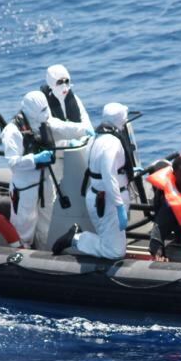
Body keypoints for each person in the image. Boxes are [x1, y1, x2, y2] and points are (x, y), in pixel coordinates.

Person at [2, 91, 87, 248]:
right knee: (24, 224)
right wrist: (35, 159)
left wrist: (84, 130)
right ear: (31, 110)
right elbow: (13, 163)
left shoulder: (43, 121)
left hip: (46, 181)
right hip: (25, 187)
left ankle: (44, 252)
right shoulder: (12, 131)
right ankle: (22, 253)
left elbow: (63, 127)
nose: (46, 114)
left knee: (47, 221)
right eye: (41, 110)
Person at [56, 103, 135, 259]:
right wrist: (119, 206)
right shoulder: (112, 143)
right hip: (109, 201)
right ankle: (76, 239)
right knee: (115, 252)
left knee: (112, 242)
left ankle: (82, 240)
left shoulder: (94, 137)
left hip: (98, 196)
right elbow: (108, 176)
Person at [40, 64, 94, 134]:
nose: (64, 85)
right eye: (60, 82)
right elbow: (52, 124)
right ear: (51, 82)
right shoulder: (44, 101)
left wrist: (88, 130)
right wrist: (79, 129)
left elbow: (84, 116)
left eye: (66, 81)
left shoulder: (73, 98)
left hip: (77, 136)